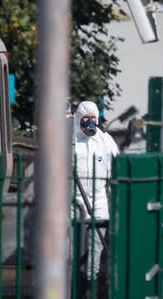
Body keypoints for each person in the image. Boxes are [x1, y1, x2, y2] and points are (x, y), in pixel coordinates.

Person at [73, 101, 119, 284]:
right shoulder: (70, 140)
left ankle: (91, 279)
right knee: (72, 240)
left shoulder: (104, 140)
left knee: (96, 241)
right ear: (78, 119)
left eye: (93, 117)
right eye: (86, 117)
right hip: (73, 199)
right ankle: (71, 277)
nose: (90, 121)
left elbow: (116, 167)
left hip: (98, 197)